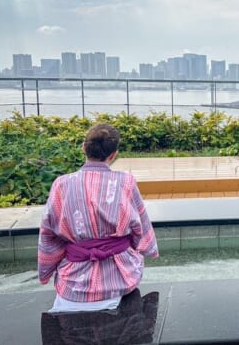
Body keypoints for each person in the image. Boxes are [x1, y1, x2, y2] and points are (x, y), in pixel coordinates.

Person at [38, 123, 159, 312]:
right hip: (120, 276)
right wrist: (146, 249)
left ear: (83, 148)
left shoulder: (61, 184)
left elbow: (48, 234)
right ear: (113, 154)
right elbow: (140, 227)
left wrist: (45, 270)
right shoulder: (125, 182)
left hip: (74, 280)